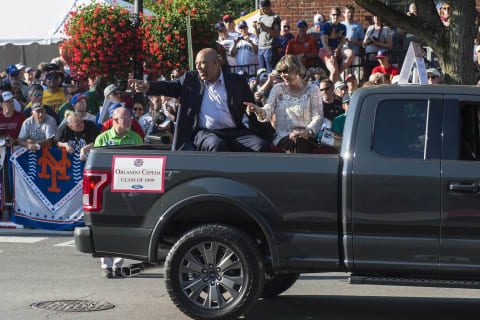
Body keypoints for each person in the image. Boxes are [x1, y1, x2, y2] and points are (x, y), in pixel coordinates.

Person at [128, 48, 269, 152]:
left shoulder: (237, 81)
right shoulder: (191, 79)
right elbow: (169, 86)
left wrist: (268, 133)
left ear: (216, 64)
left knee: (260, 145)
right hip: (206, 132)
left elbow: (253, 109)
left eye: (203, 63)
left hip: (235, 132)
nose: (198, 67)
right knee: (216, 145)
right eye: (197, 63)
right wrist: (148, 86)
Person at [94, 106, 142, 277]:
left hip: (128, 189)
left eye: (130, 118)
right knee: (106, 227)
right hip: (107, 189)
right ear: (114, 121)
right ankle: (106, 265)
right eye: (125, 118)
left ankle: (118, 265)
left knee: (124, 227)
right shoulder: (102, 139)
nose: (130, 121)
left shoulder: (136, 138)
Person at [245, 55, 323, 154]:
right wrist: (258, 110)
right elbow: (268, 110)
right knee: (294, 141)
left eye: (286, 71)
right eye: (281, 72)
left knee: (298, 141)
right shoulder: (277, 89)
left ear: (297, 70)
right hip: (284, 138)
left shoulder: (313, 89)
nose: (282, 75)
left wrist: (307, 131)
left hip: (307, 137)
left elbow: (318, 116)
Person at [318, 7, 354, 83]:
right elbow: (324, 42)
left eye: (337, 15)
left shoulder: (343, 27)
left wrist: (338, 49)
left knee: (351, 54)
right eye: (333, 14)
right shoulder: (326, 26)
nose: (335, 17)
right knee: (333, 70)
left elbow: (342, 41)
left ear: (340, 16)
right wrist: (331, 54)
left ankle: (338, 72)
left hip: (337, 48)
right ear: (330, 15)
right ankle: (331, 88)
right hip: (325, 49)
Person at [253, 0, 281, 73]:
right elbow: (258, 36)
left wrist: (265, 27)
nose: (263, 11)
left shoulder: (275, 18)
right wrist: (255, 28)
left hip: (270, 47)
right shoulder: (261, 18)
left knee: (270, 71)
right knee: (262, 72)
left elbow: (277, 34)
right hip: (261, 47)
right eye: (261, 9)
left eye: (264, 9)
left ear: (269, 7)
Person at [362, 16, 393, 80]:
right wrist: (367, 42)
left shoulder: (386, 29)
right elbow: (364, 43)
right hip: (368, 57)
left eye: (378, 16)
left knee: (378, 78)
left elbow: (390, 45)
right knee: (369, 77)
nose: (377, 18)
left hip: (379, 60)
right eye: (375, 16)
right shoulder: (370, 28)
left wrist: (376, 43)